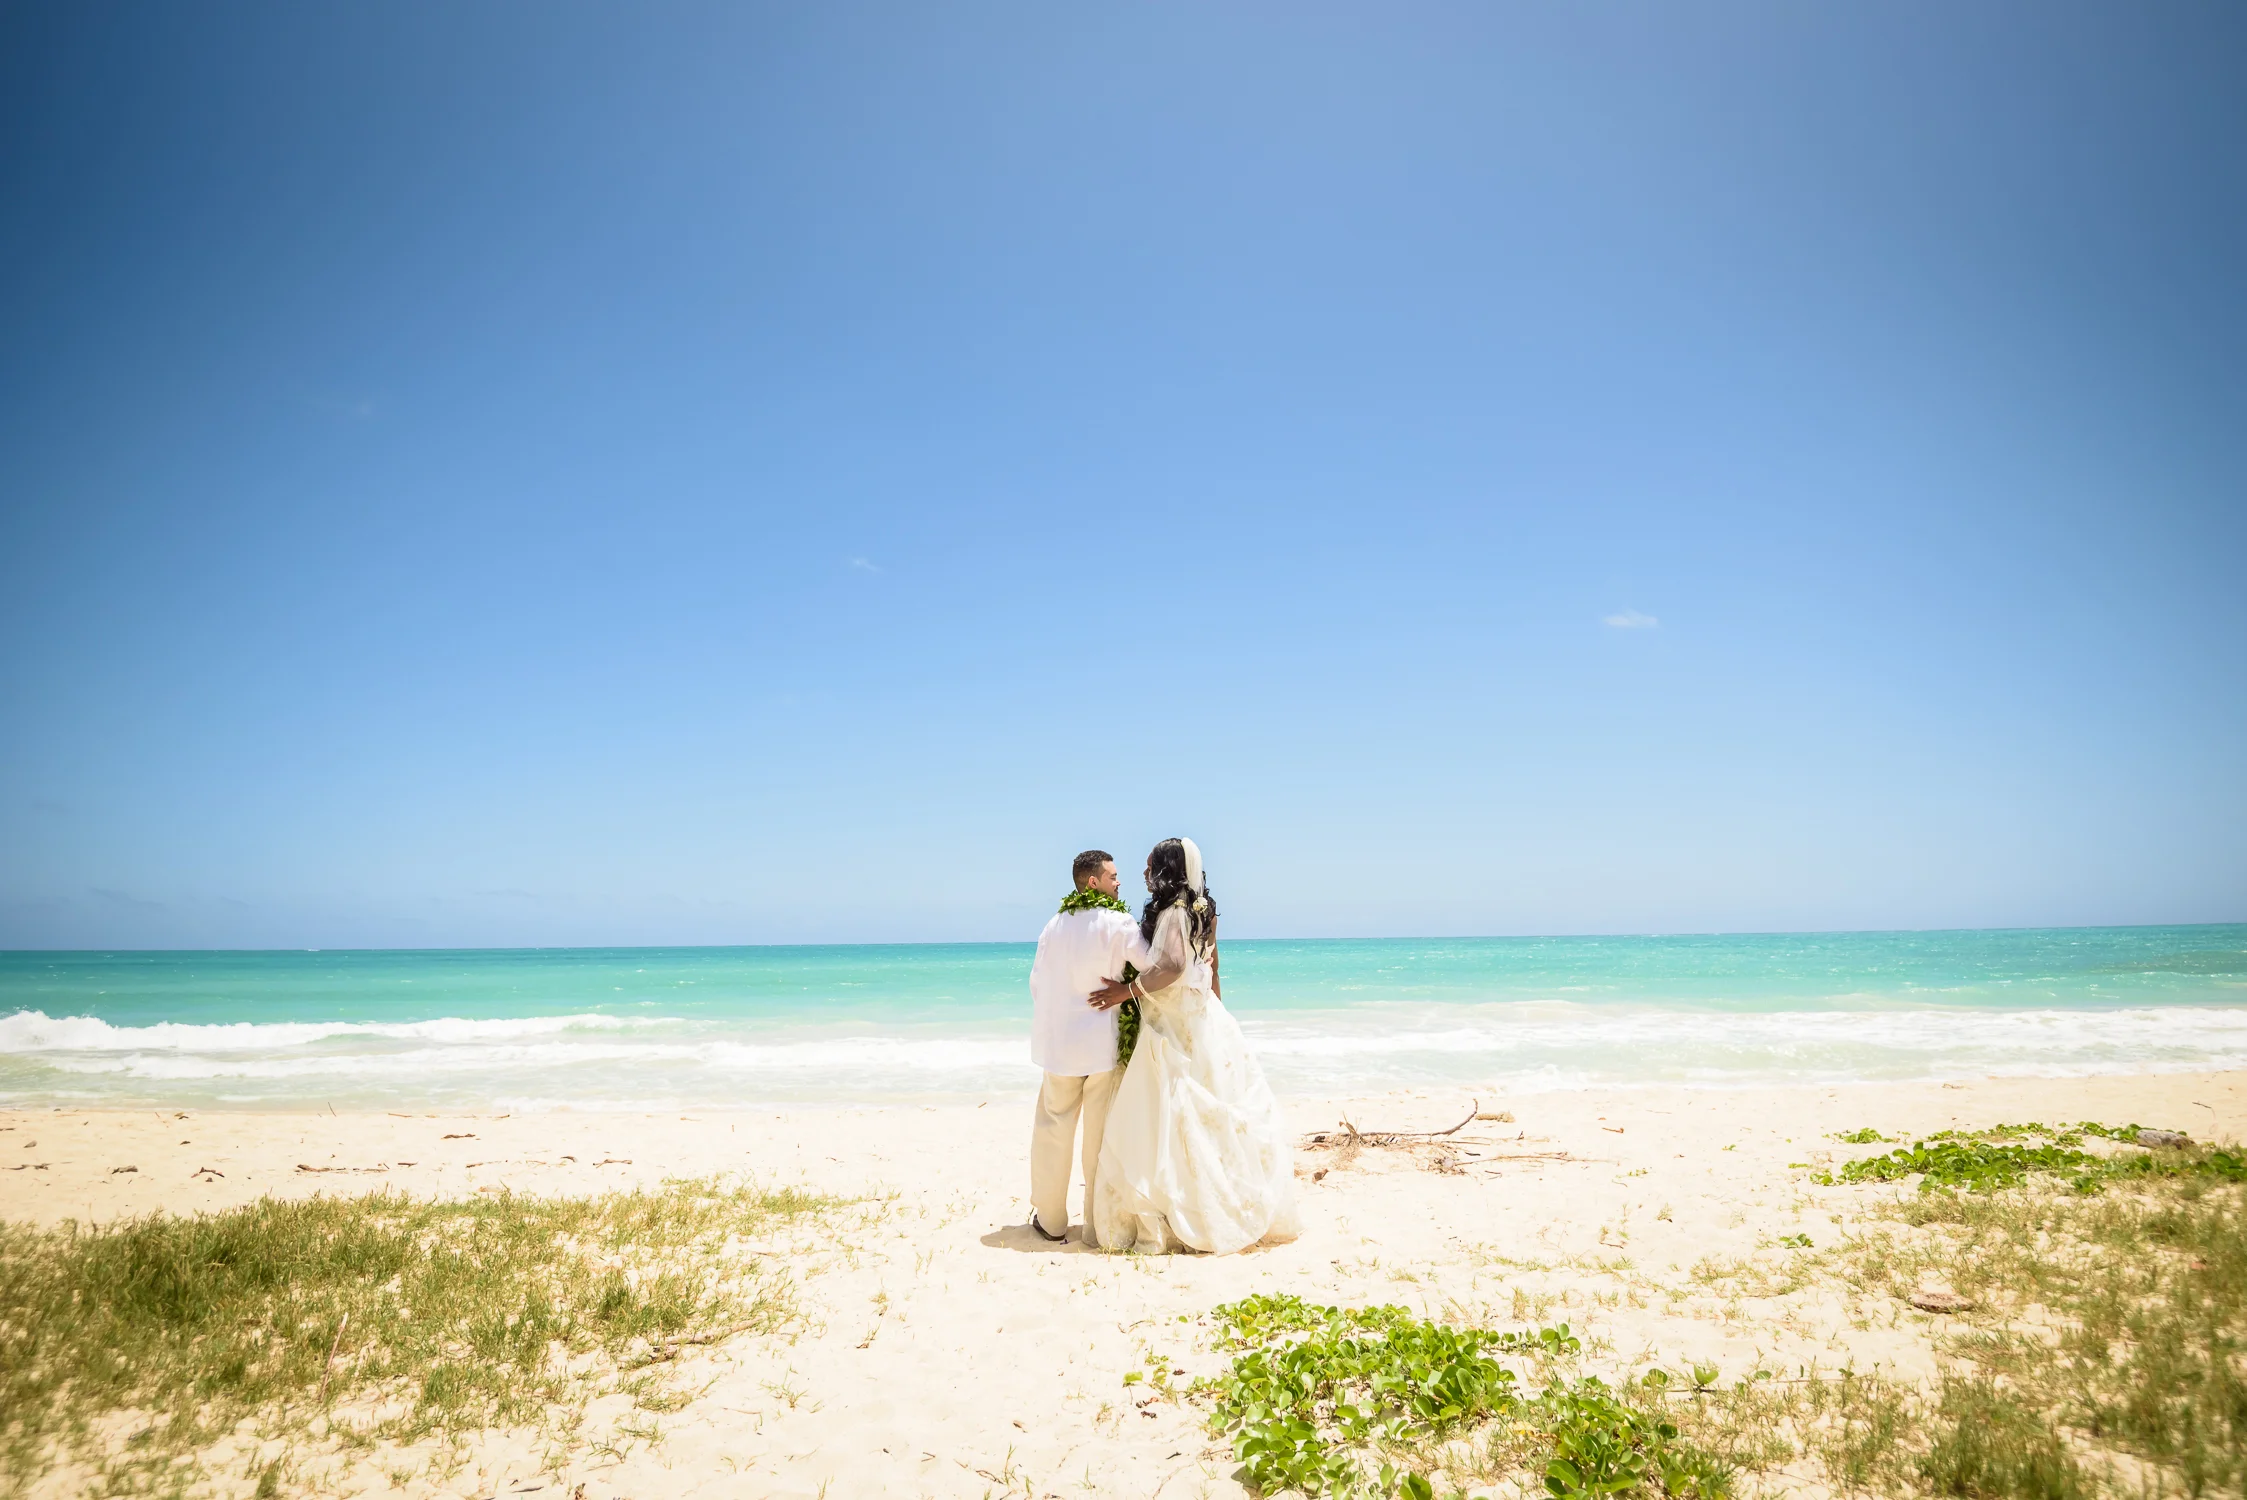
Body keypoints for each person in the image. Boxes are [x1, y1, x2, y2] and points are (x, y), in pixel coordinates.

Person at [1085, 838, 1300, 1254]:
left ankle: (1179, 1211)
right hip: (1201, 1016)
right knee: (1201, 1107)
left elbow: (1175, 968)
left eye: (1150, 866)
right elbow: (1212, 965)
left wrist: (1124, 992)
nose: (1145, 873)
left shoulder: (1174, 912)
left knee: (1171, 1112)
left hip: (1174, 1022)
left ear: (1166, 869)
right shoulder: (1202, 911)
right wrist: (1218, 1008)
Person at [1024, 848, 1141, 1242]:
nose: (1119, 882)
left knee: (1053, 1132)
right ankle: (1095, 1227)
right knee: (1099, 1137)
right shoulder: (1119, 922)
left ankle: (1053, 1222)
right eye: (1112, 877)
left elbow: (1036, 983)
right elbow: (1148, 964)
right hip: (1101, 1047)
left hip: (1060, 1049)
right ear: (1093, 882)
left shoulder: (1053, 925)